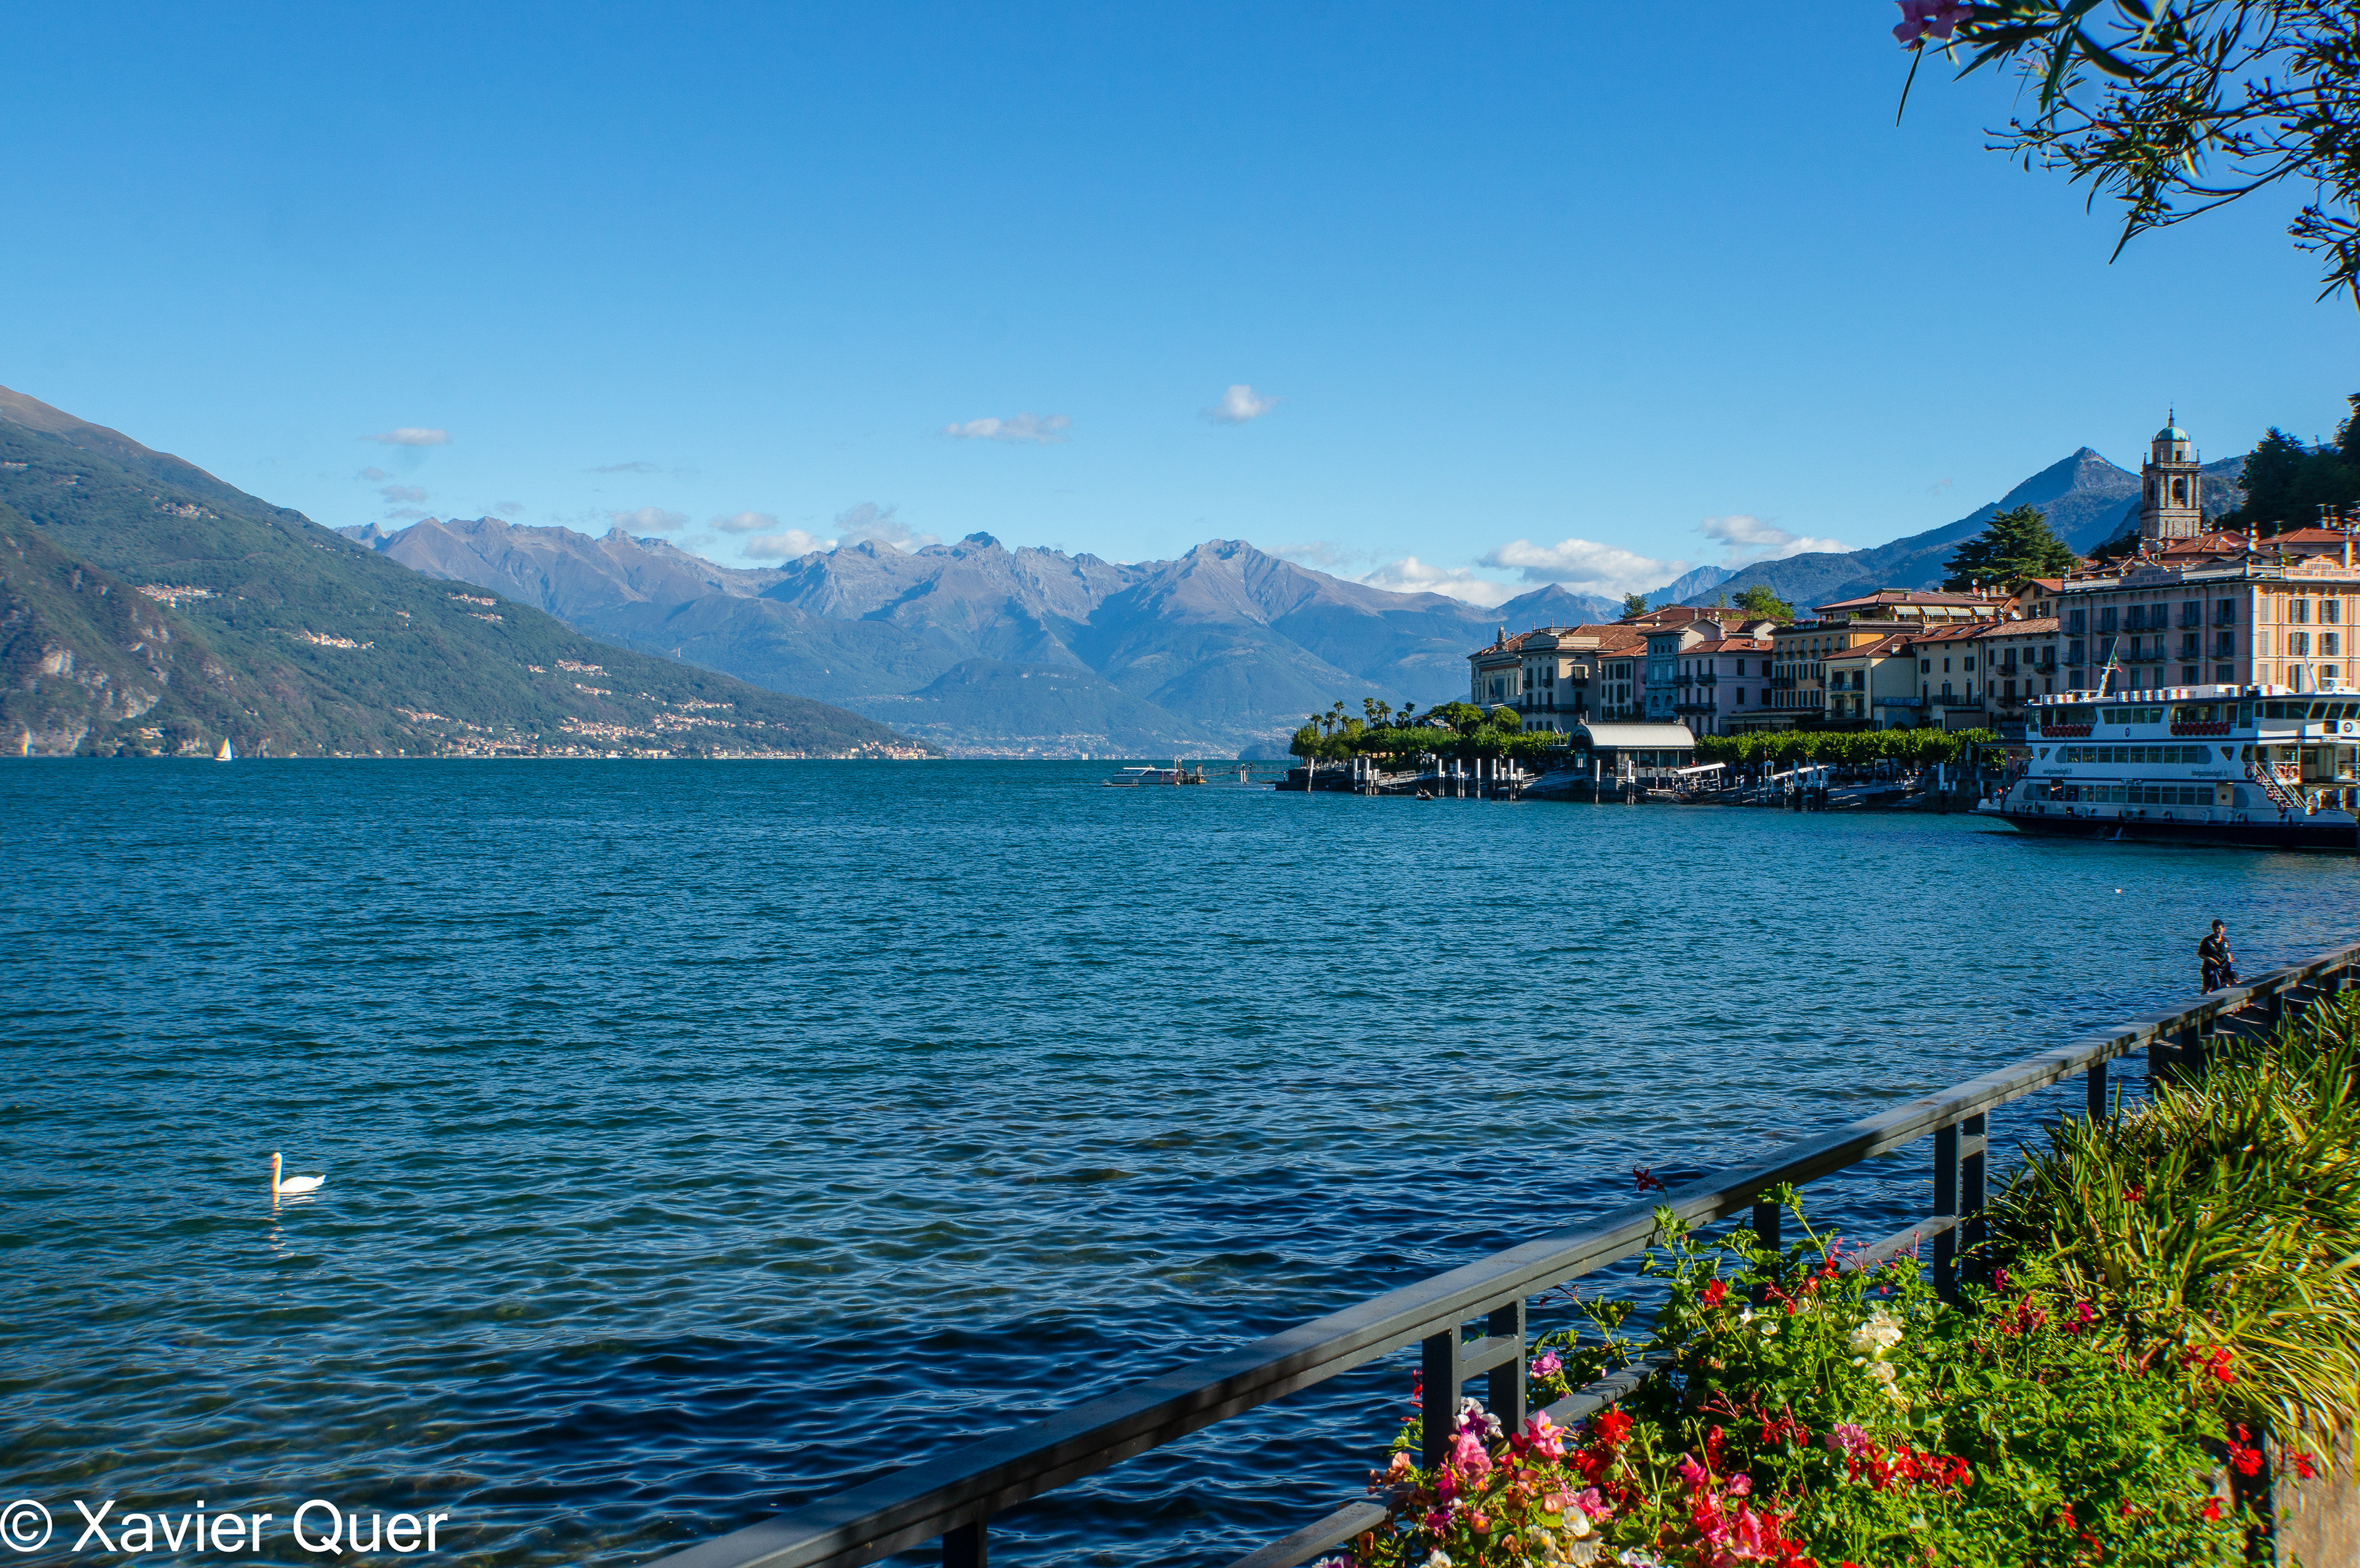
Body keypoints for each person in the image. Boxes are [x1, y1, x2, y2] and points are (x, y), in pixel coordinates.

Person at [2200, 920, 2236, 991]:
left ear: (2223, 929)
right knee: (2207, 986)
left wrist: (2229, 957)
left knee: (2224, 984)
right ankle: (2201, 999)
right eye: (2215, 929)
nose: (2217, 931)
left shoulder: (2225, 940)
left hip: (2223, 966)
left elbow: (2227, 952)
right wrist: (2210, 960)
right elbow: (2201, 954)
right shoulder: (2207, 940)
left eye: (2219, 929)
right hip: (2211, 967)